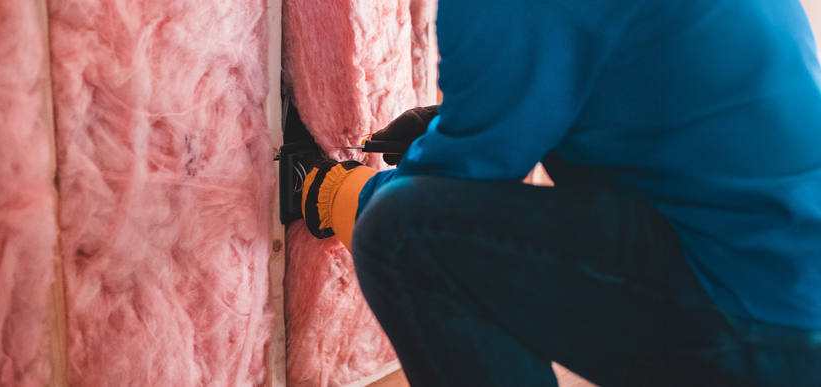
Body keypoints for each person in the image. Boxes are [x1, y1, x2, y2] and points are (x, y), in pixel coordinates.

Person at [300, 0, 821, 385]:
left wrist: (344, 193)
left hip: (758, 314)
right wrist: (454, 124)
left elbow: (467, 173)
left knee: (402, 234)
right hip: (787, 277)